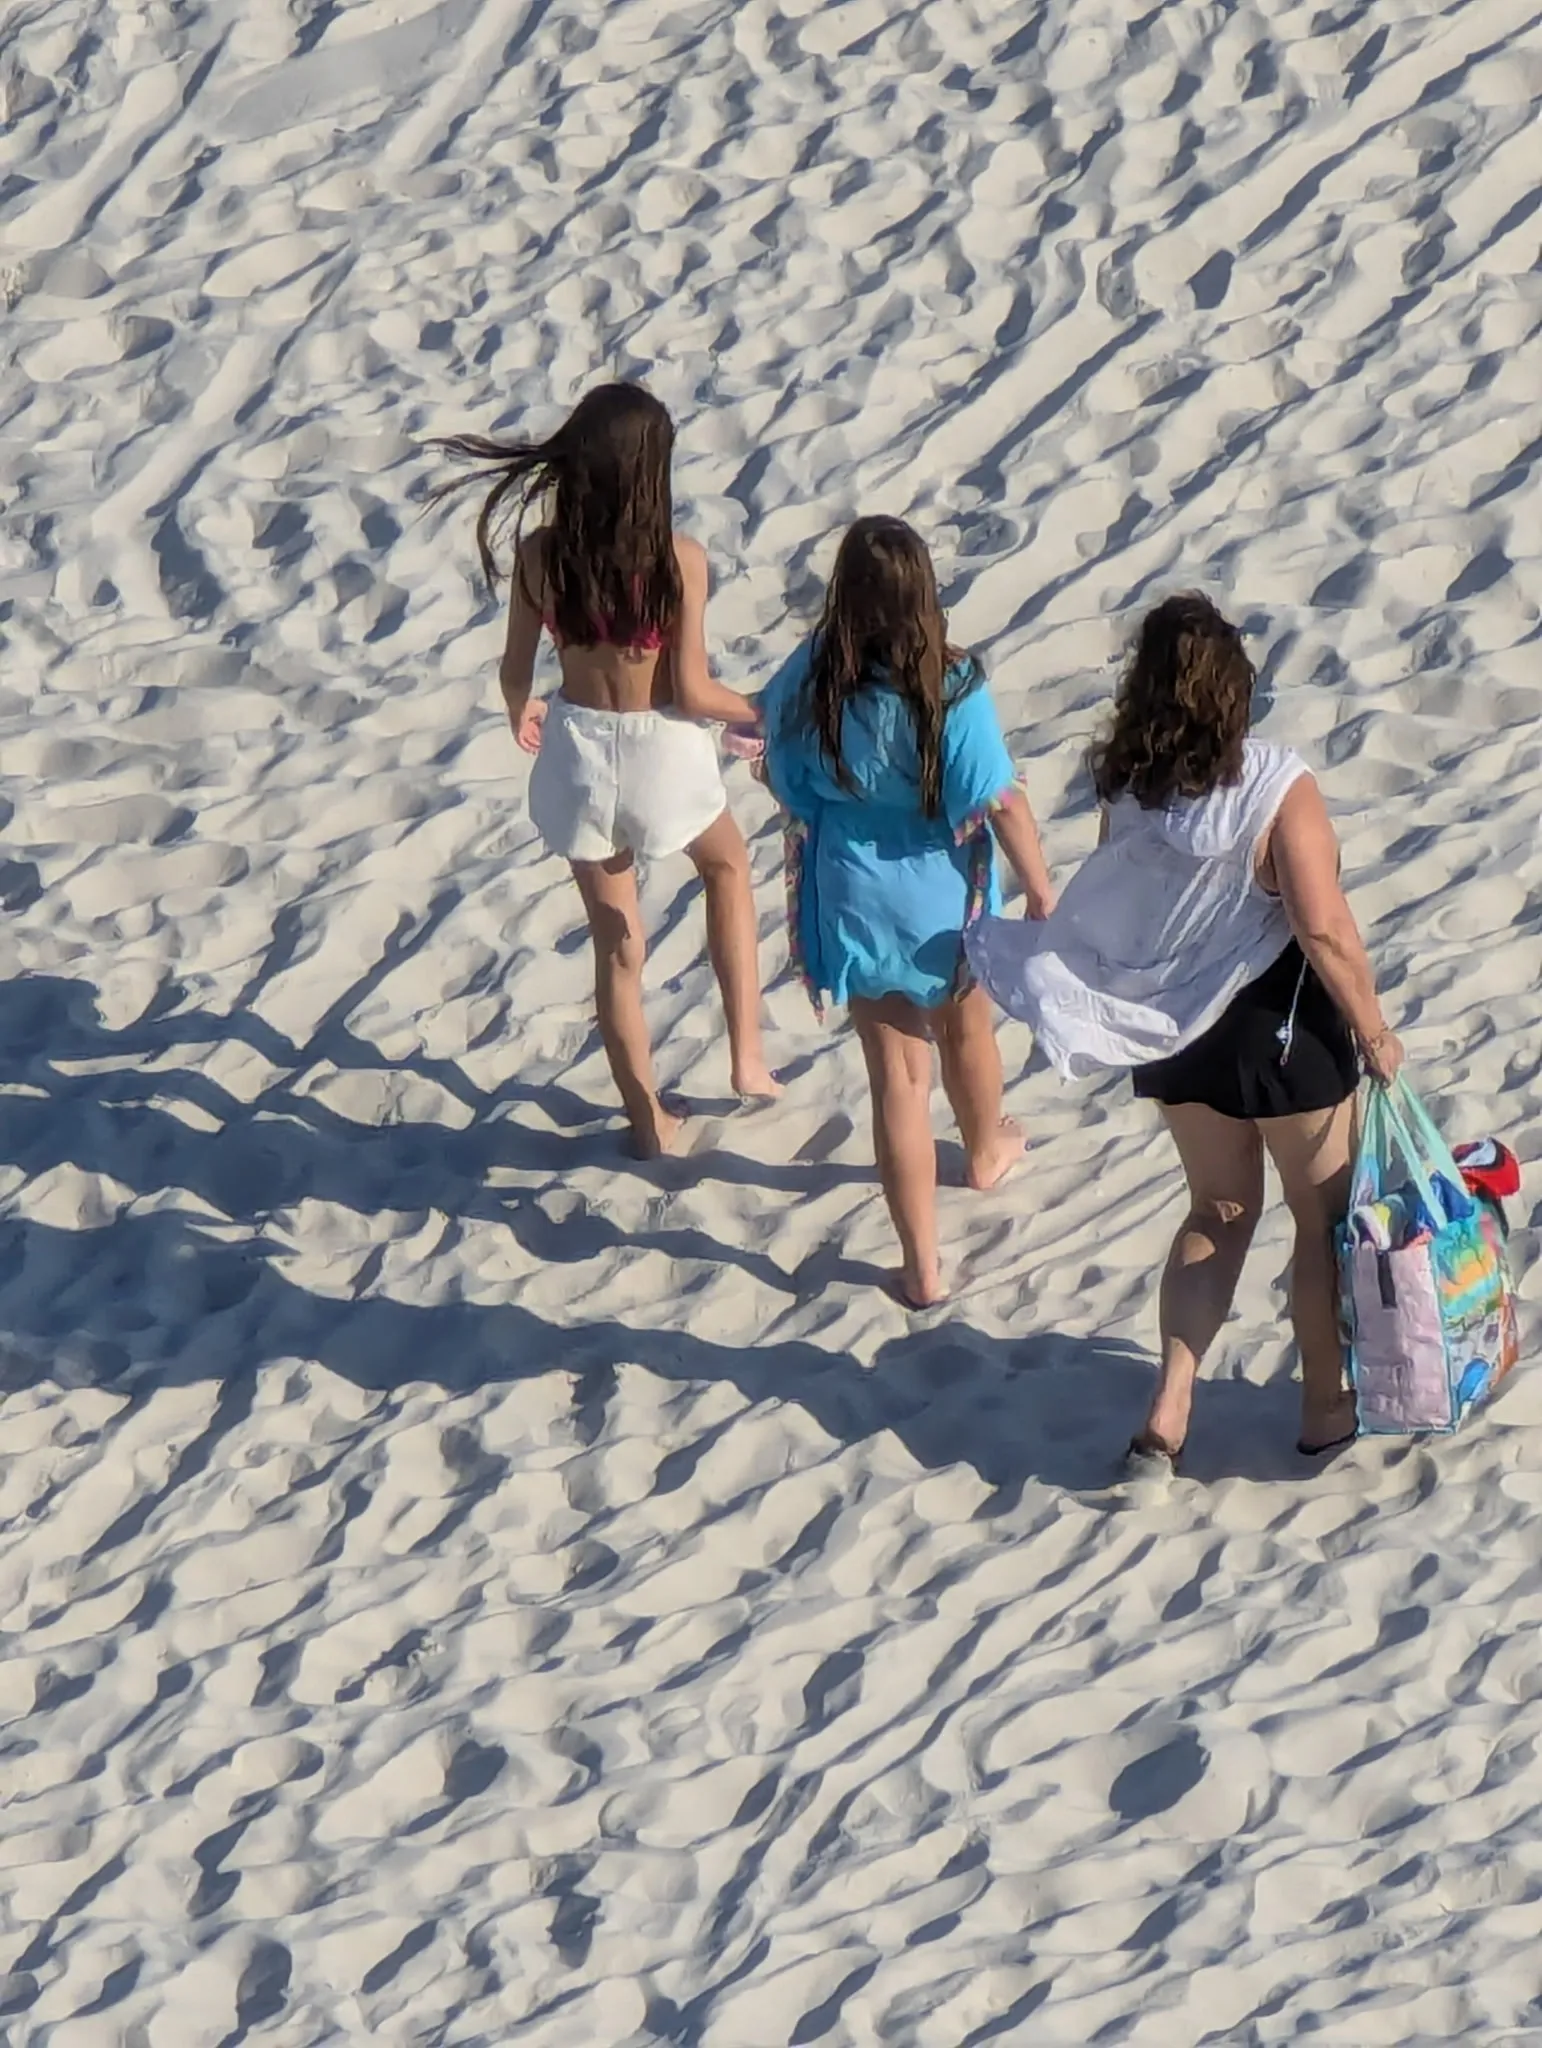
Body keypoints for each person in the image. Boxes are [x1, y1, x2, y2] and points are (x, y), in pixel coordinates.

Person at [969, 593, 1403, 1471]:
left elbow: (1124, 911)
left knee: (1217, 1209)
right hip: (1279, 1033)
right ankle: (1325, 1411)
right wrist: (1376, 1031)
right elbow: (1322, 929)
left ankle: (1169, 1406)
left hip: (1176, 1037)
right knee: (1318, 1221)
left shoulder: (1129, 792)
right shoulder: (1281, 785)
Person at [432, 383, 778, 1157]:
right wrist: (757, 708)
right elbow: (689, 689)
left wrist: (521, 708)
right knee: (724, 867)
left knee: (618, 948)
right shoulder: (679, 559)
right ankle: (747, 1056)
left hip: (579, 755)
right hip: (662, 751)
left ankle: (647, 1122)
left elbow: (515, 668)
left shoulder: (540, 555)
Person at [761, 516, 1057, 1309]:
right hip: (942, 897)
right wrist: (1040, 886)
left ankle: (922, 1267)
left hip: (854, 892)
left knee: (895, 1078)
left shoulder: (813, 674)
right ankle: (987, 1149)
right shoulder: (951, 685)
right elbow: (999, 801)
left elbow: (781, 774)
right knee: (967, 1031)